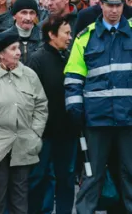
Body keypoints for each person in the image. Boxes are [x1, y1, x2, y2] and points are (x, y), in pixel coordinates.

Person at [64, 0, 132, 214]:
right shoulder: (85, 38)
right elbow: (72, 78)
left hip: (131, 120)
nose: (114, 9)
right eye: (109, 4)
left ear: (124, 4)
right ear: (100, 4)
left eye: (118, 4)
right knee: (91, 178)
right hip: (96, 121)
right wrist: (76, 112)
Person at [0, 30, 48, 214]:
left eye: (18, 47)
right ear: (0, 54)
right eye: (13, 49)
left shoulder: (29, 75)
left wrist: (35, 133)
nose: (18, 52)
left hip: (23, 143)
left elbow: (41, 105)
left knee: (20, 198)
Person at [26, 14, 76, 214]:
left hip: (67, 132)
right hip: (43, 133)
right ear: (51, 34)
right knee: (38, 178)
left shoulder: (70, 57)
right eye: (66, 33)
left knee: (66, 177)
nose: (70, 37)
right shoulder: (37, 59)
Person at [3, 0, 43, 65]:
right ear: (14, 15)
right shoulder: (3, 39)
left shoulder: (44, 38)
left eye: (32, 13)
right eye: (24, 13)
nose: (28, 18)